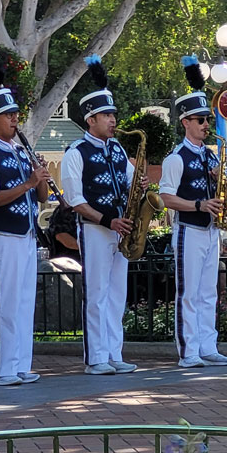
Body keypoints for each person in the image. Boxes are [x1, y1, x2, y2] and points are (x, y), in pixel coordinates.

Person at [0, 46, 50, 386]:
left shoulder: (20, 151)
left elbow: (41, 196)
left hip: (26, 234)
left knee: (23, 301)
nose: (16, 120)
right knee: (4, 302)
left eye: (17, 114)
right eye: (9, 115)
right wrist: (30, 181)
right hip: (1, 235)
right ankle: (1, 369)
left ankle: (19, 365)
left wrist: (41, 179)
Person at [61, 55, 142, 375]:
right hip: (95, 229)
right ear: (90, 119)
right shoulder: (75, 152)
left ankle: (114, 353)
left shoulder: (119, 150)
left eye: (113, 114)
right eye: (106, 114)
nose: (113, 119)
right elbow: (74, 200)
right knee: (96, 293)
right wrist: (107, 220)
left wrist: (140, 184)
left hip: (120, 229)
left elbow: (130, 182)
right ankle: (96, 358)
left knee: (117, 293)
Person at [158, 56, 227, 368]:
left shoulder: (209, 156)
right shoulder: (176, 157)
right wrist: (199, 205)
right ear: (185, 123)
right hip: (189, 229)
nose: (206, 124)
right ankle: (189, 351)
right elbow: (165, 197)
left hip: (211, 230)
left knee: (208, 292)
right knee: (189, 292)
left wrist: (221, 183)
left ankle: (209, 346)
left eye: (207, 119)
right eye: (200, 120)